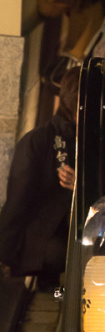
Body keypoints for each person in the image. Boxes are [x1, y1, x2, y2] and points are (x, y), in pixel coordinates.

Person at [0, 68, 79, 288]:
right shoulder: (38, 140)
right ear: (76, 100)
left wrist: (81, 187)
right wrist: (5, 254)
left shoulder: (102, 140)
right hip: (45, 243)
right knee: (57, 255)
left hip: (81, 237)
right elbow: (18, 201)